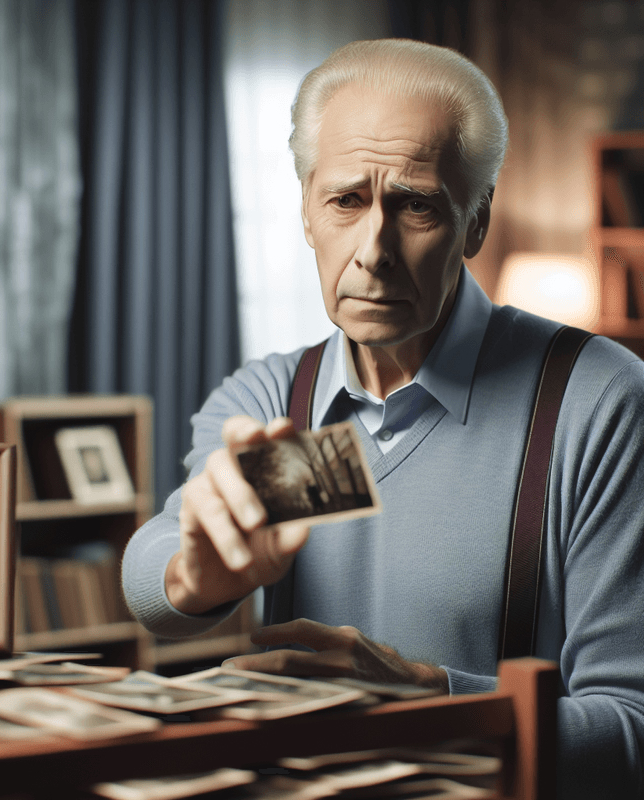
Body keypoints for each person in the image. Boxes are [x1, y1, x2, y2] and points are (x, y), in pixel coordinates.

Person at [121, 39, 644, 798]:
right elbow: (151, 580)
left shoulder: (595, 403)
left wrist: (429, 701)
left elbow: (630, 730)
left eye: (416, 205)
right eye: (346, 201)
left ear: (475, 223)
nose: (373, 251)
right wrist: (195, 570)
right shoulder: (277, 401)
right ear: (306, 210)